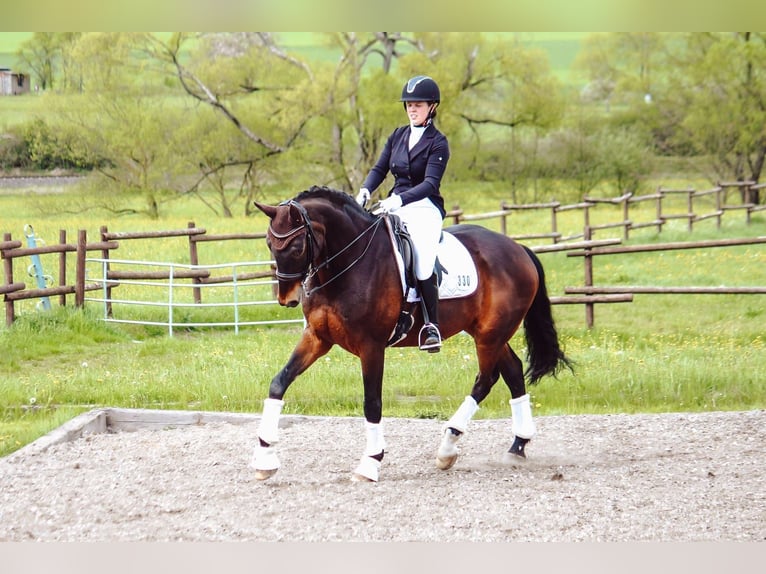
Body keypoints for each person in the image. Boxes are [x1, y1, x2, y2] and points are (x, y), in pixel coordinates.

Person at [356, 75, 450, 352]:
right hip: (393, 204)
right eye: (409, 104)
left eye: (418, 105)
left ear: (432, 106)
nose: (412, 109)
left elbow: (430, 184)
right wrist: (365, 190)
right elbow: (379, 169)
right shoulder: (398, 135)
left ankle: (431, 325)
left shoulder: (438, 143)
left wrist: (399, 200)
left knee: (421, 260)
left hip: (425, 207)